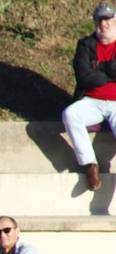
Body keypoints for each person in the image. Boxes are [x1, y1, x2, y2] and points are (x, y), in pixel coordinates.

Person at [63, 2, 116, 192]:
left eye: (108, 19)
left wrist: (100, 67)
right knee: (70, 114)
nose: (104, 24)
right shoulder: (85, 44)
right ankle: (90, 164)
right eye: (100, 20)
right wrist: (110, 71)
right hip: (92, 100)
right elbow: (84, 77)